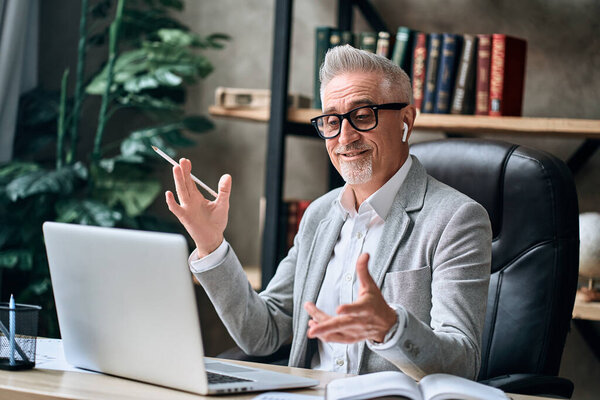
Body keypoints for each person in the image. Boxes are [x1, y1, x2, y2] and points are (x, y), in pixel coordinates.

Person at [165, 44, 492, 380]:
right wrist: (210, 244)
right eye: (331, 121)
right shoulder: (320, 215)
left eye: (363, 116)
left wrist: (391, 328)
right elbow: (262, 334)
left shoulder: (457, 219)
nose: (344, 137)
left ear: (406, 120)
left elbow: (463, 362)